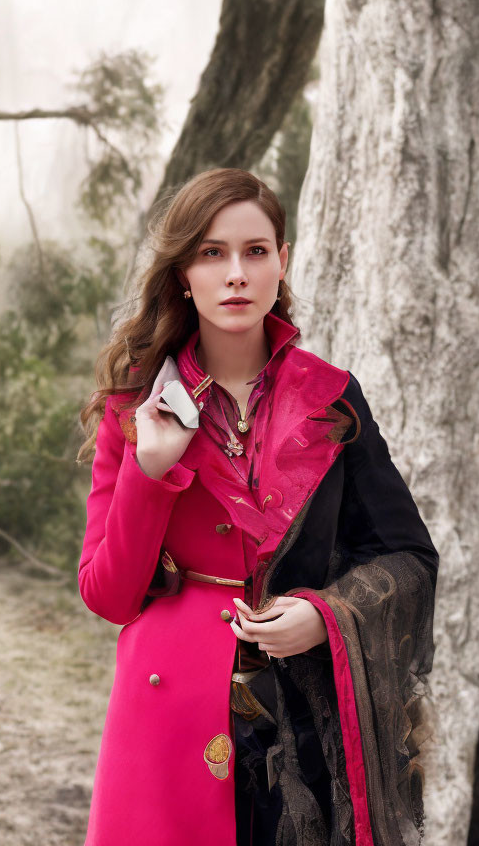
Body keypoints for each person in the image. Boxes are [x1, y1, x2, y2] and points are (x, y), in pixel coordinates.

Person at [77, 168, 439, 846]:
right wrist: (151, 471)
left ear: (283, 263)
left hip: (306, 719)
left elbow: (408, 555)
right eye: (212, 253)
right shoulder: (137, 406)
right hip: (169, 718)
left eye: (255, 251)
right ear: (184, 273)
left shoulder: (332, 399)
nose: (235, 274)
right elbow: (107, 593)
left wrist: (327, 616)